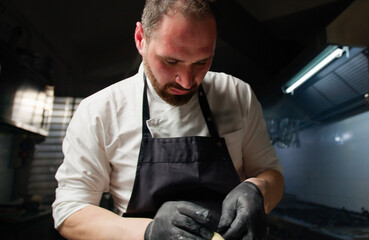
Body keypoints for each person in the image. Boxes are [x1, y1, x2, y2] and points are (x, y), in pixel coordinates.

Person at [52, 0, 284, 239]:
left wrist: (259, 188)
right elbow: (70, 212)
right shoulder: (100, 110)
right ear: (141, 38)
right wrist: (149, 231)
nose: (186, 81)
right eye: (171, 61)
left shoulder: (236, 94)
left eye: (201, 62)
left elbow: (271, 173)